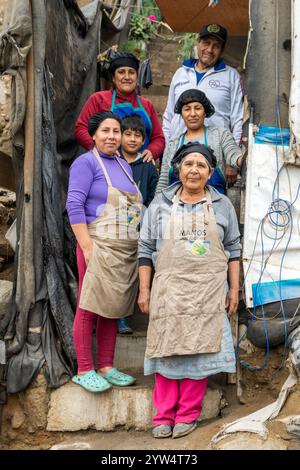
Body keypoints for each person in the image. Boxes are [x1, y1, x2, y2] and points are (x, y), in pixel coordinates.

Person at [138, 142, 241, 439]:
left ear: (210, 173)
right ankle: (163, 415)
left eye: (201, 165)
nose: (194, 169)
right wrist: (144, 289)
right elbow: (145, 249)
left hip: (208, 291)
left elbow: (233, 248)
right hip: (169, 289)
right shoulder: (159, 205)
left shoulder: (222, 206)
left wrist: (233, 289)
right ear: (177, 169)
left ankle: (187, 413)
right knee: (166, 349)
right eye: (188, 164)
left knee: (200, 351)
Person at [66, 111, 142, 392]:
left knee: (112, 308)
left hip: (122, 248)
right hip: (96, 243)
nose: (112, 136)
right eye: (106, 131)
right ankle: (84, 368)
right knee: (89, 306)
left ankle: (106, 366)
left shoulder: (124, 165)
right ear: (94, 135)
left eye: (116, 132)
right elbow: (74, 205)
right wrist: (87, 247)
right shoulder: (85, 164)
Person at [75, 52, 165, 162]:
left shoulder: (147, 105)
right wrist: (98, 148)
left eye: (131, 72)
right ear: (113, 77)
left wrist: (152, 151)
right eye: (121, 72)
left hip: (139, 165)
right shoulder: (98, 99)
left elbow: (158, 137)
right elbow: (80, 128)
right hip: (105, 163)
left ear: (136, 76)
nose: (127, 77)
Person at [162, 24, 243, 145]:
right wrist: (169, 147)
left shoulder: (231, 76)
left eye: (216, 46)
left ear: (222, 50)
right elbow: (169, 115)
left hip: (216, 151)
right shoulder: (180, 73)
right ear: (198, 43)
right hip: (180, 150)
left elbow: (237, 119)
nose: (210, 50)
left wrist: (233, 155)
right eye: (206, 43)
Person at [156, 89, 243, 195]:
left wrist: (243, 160)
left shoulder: (220, 135)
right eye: (187, 109)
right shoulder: (173, 144)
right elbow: (164, 181)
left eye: (197, 108)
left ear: (205, 111)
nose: (192, 114)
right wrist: (157, 205)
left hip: (214, 205)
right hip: (176, 206)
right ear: (181, 114)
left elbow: (233, 153)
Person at [118, 115, 158, 335]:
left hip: (138, 228)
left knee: (131, 273)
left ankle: (123, 317)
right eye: (128, 134)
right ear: (120, 136)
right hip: (112, 226)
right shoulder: (112, 162)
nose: (132, 139)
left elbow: (153, 197)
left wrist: (143, 218)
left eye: (137, 135)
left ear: (144, 141)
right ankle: (108, 315)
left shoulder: (148, 167)